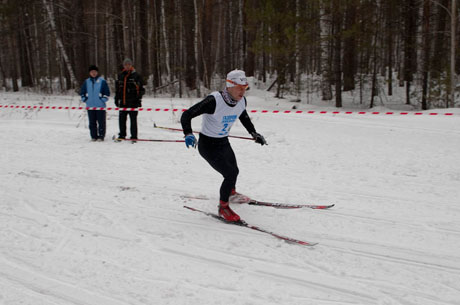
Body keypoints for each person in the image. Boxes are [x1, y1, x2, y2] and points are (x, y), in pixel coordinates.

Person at [181, 69, 267, 222]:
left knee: (235, 170)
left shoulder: (241, 101)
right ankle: (223, 207)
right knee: (230, 174)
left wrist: (254, 133)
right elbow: (187, 114)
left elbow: (243, 116)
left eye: (245, 88)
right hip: (208, 145)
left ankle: (231, 193)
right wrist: (188, 133)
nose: (242, 91)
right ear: (229, 85)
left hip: (223, 142)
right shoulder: (214, 101)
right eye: (239, 87)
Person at [114, 58, 145, 141]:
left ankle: (134, 136)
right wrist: (116, 99)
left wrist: (138, 99)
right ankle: (122, 135)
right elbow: (117, 89)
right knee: (122, 120)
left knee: (133, 120)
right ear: (124, 66)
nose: (127, 66)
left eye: (129, 64)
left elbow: (141, 89)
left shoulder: (136, 75)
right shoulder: (121, 75)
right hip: (123, 102)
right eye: (126, 65)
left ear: (131, 65)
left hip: (133, 103)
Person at [80, 65, 110, 141]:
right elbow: (82, 92)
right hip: (90, 106)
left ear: (97, 72)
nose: (93, 73)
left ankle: (101, 136)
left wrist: (103, 99)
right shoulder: (86, 82)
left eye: (95, 72)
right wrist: (85, 99)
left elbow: (107, 93)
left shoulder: (102, 81)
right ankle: (93, 136)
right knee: (92, 122)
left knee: (101, 122)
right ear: (89, 73)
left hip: (100, 106)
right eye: (92, 72)